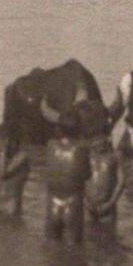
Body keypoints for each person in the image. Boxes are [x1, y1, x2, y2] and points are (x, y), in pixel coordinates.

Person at [44, 104, 91, 242]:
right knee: (73, 254)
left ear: (59, 129)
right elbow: (87, 174)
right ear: (79, 129)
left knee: (51, 252)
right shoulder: (82, 148)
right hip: (72, 206)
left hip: (52, 205)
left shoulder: (50, 145)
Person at [81, 101, 124, 224]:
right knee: (88, 238)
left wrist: (110, 204)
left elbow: (122, 183)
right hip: (88, 207)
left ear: (107, 138)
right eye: (94, 140)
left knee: (108, 238)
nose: (98, 143)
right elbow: (78, 180)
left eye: (101, 139)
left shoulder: (116, 155)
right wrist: (86, 202)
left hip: (108, 210)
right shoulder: (85, 155)